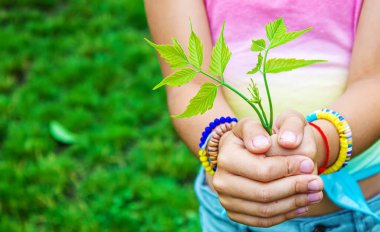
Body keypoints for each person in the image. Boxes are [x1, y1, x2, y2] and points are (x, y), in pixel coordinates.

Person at [144, 0, 380, 231]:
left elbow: (374, 82)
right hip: (231, 213)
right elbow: (190, 85)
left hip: (362, 210)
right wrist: (222, 143)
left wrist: (321, 142)